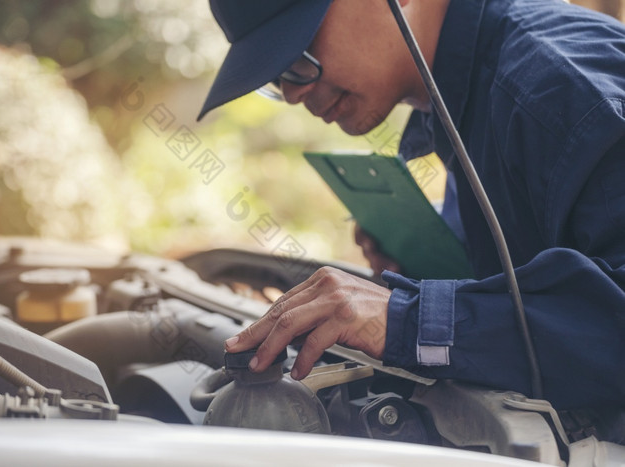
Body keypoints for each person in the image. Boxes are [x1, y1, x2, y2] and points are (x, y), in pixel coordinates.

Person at [197, 0, 625, 413]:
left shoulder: (559, 90)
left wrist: (407, 321)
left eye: (299, 51)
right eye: (276, 74)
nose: (293, 92)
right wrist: (427, 271)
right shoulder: (475, 94)